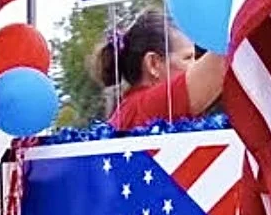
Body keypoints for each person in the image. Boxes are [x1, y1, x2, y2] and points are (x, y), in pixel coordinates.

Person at [90, 8, 228, 129]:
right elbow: (218, 64)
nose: (196, 65)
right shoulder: (147, 107)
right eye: (187, 58)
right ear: (153, 64)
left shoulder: (131, 108)